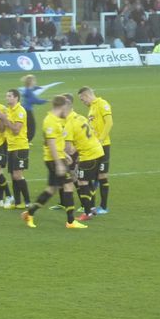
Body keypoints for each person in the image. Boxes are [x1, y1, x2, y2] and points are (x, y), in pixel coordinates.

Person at [20, 96, 87, 230]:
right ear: (62, 107)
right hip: (53, 160)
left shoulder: (55, 120)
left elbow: (56, 142)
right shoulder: (50, 121)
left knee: (51, 189)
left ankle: (30, 213)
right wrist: (59, 163)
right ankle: (70, 221)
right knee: (68, 186)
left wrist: (65, 155)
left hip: (57, 158)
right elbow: (50, 143)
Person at [63, 93, 104, 222]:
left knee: (82, 182)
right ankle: (91, 209)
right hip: (98, 151)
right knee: (86, 181)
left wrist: (59, 151)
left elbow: (69, 149)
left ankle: (88, 212)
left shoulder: (69, 124)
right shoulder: (80, 117)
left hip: (89, 155)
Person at [78, 86, 113, 214]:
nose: (83, 102)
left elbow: (109, 122)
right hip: (93, 147)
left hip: (103, 145)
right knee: (92, 176)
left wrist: (101, 139)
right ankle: (91, 206)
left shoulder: (102, 104)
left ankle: (103, 207)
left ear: (87, 95)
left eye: (82, 100)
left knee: (102, 175)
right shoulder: (91, 108)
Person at [0, 89, 30, 209]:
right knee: (12, 175)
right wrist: (1, 119)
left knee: (17, 175)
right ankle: (17, 202)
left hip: (20, 147)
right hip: (10, 147)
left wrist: (5, 119)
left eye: (10, 96)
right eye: (6, 96)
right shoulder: (8, 111)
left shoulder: (20, 111)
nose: (7, 98)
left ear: (16, 98)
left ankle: (27, 201)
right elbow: (1, 129)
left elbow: (16, 130)